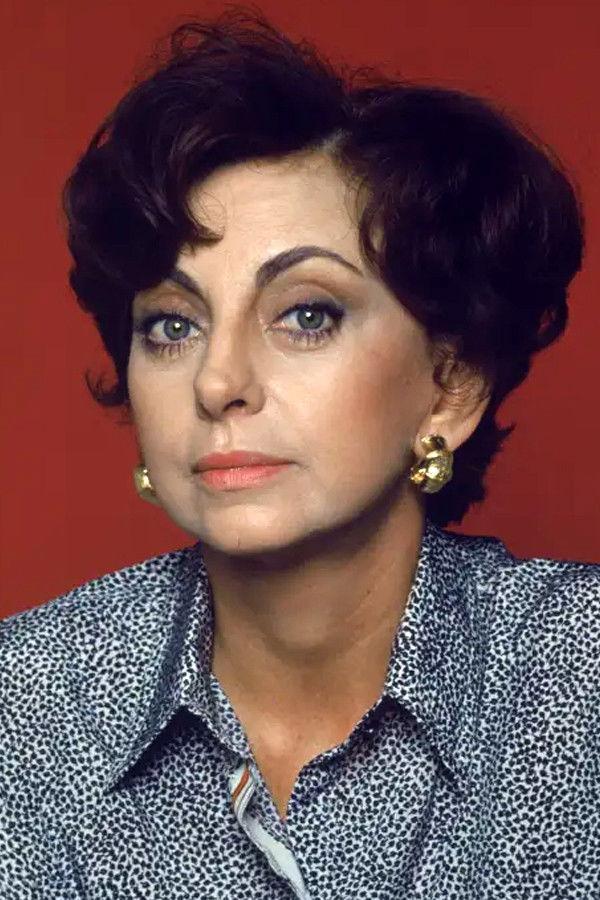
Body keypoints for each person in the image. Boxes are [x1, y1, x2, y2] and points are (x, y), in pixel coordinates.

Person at [1, 8, 599, 899]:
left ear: (450, 388)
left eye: (307, 314)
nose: (218, 381)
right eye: (171, 325)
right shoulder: (29, 704)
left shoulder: (576, 685)